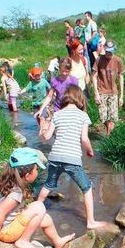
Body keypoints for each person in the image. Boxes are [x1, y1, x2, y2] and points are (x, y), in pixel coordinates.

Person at [36, 85, 109, 229]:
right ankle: (91, 222)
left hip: (55, 157)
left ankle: (36, 212)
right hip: (72, 159)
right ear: (80, 99)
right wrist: (90, 151)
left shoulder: (57, 114)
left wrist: (42, 126)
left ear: (65, 99)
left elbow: (46, 137)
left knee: (49, 185)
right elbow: (84, 139)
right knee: (87, 187)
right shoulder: (83, 116)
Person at [0, 147, 75, 248]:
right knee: (39, 207)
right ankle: (23, 241)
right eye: (36, 169)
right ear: (27, 175)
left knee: (45, 218)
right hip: (5, 233)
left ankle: (57, 242)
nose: (37, 172)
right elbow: (0, 213)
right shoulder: (16, 194)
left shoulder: (5, 185)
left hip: (1, 227)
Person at [35, 57, 79, 130]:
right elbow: (49, 96)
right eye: (62, 71)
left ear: (70, 70)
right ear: (59, 69)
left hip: (70, 109)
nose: (64, 73)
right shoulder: (55, 81)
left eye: (67, 71)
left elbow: (77, 96)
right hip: (58, 109)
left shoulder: (74, 81)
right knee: (59, 130)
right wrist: (41, 109)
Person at [92, 40, 125, 135]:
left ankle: (109, 136)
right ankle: (108, 132)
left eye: (110, 51)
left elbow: (121, 77)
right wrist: (96, 94)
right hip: (101, 91)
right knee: (103, 117)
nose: (108, 53)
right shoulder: (99, 60)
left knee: (112, 118)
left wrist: (121, 96)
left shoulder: (118, 60)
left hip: (113, 92)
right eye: (107, 51)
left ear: (114, 50)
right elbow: (94, 76)